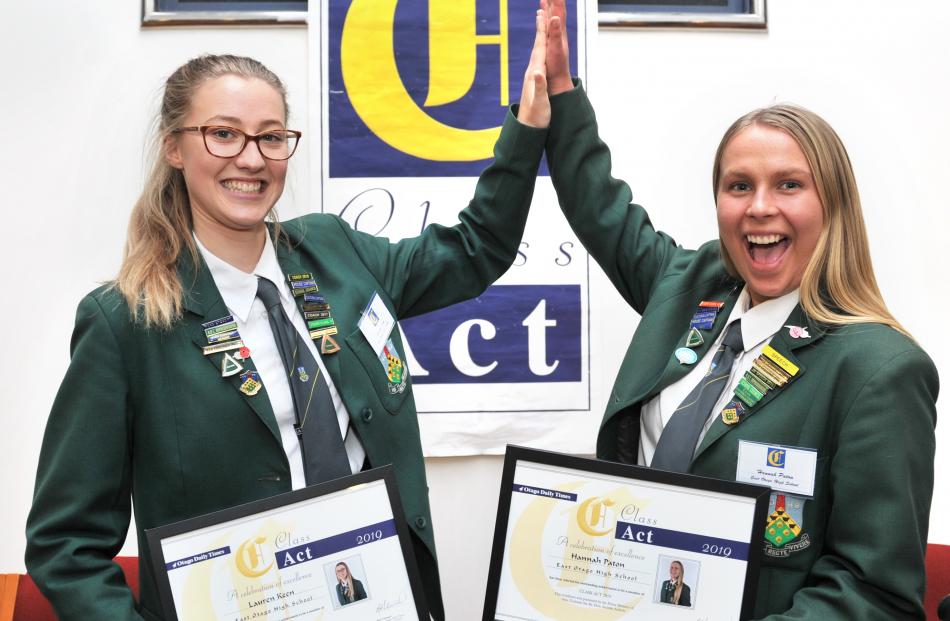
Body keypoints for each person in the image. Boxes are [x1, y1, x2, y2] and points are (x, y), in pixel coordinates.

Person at [26, 18, 554, 620]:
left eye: (271, 137)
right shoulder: (126, 322)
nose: (251, 159)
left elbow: (474, 250)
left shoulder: (335, 252)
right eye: (223, 134)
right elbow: (64, 547)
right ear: (175, 147)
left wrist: (529, 126)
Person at [528, 0, 938, 618]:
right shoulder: (693, 287)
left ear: (834, 206)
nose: (759, 208)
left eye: (789, 185)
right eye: (739, 185)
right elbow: (602, 210)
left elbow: (871, 595)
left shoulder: (879, 370)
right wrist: (561, 91)